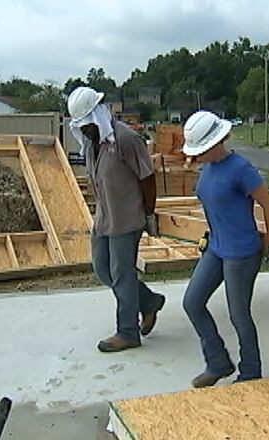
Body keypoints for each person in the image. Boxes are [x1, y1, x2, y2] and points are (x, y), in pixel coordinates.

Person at [180, 110, 269, 388]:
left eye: (201, 150)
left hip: (242, 252)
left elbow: (268, 203)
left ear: (216, 143)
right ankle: (218, 362)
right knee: (192, 302)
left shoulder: (241, 169)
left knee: (239, 314)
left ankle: (251, 372)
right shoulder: (207, 168)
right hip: (216, 246)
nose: (198, 156)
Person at [67, 86, 165, 352]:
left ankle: (128, 332)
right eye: (80, 126)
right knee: (102, 269)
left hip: (127, 218)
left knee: (122, 274)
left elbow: (147, 178)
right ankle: (148, 302)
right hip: (104, 218)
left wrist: (148, 214)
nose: (84, 130)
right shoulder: (91, 144)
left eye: (87, 124)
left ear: (98, 115)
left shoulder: (125, 139)